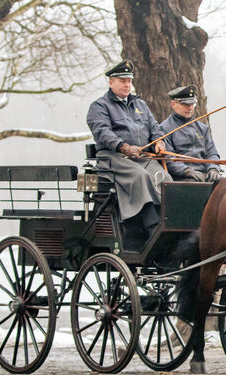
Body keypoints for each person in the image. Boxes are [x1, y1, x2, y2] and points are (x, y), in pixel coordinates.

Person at [86, 59, 172, 251]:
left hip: (142, 157)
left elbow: (155, 127)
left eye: (129, 81)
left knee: (165, 178)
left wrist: (159, 140)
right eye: (122, 81)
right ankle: (152, 226)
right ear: (111, 82)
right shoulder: (99, 106)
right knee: (140, 177)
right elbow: (102, 132)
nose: (127, 85)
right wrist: (123, 147)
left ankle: (169, 224)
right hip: (114, 158)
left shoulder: (139, 104)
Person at [158, 85, 222, 182]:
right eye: (185, 104)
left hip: (206, 174)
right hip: (182, 177)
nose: (190, 108)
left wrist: (213, 168)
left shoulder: (202, 128)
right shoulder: (164, 129)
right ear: (173, 104)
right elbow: (169, 160)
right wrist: (188, 172)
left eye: (192, 104)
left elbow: (212, 153)